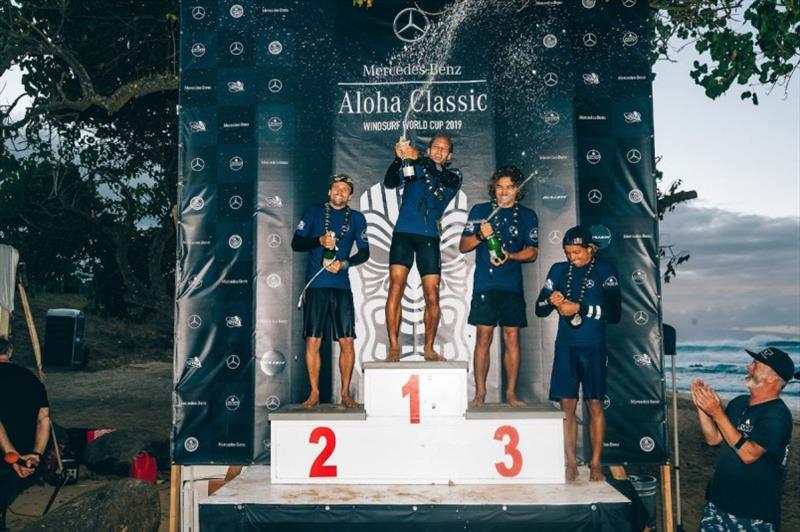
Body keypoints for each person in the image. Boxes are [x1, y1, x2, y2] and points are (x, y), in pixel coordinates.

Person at [535, 226, 620, 482]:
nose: (572, 257)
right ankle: (570, 462)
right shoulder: (559, 270)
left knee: (594, 404)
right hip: (566, 347)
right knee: (567, 407)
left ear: (590, 249)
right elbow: (539, 309)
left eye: (576, 252)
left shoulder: (606, 270)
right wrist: (552, 301)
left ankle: (595, 464)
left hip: (593, 347)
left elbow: (615, 314)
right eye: (568, 252)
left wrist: (579, 307)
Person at [692, 347, 797, 531]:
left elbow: (749, 454)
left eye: (756, 364)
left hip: (753, 514)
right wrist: (703, 408)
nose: (749, 366)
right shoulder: (738, 402)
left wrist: (717, 413)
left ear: (773, 378)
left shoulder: (777, 416)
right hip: (717, 505)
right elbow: (714, 439)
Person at [459, 165, 538, 408]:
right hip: (486, 283)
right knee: (483, 337)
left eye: (510, 187)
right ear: (493, 188)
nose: (504, 191)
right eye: (500, 186)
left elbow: (533, 252)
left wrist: (511, 256)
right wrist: (481, 236)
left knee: (512, 337)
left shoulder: (527, 215)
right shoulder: (481, 211)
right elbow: (463, 246)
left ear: (518, 190)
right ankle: (480, 392)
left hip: (511, 285)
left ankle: (511, 394)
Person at [291, 174, 370, 408]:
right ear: (329, 191)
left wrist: (345, 263)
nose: (340, 192)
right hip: (316, 286)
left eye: (345, 190)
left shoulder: (357, 218)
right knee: (313, 341)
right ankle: (314, 393)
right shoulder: (314, 211)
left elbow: (364, 252)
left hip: (341, 286)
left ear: (350, 195)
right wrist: (318, 241)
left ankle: (345, 393)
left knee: (347, 341)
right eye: (336, 188)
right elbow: (297, 244)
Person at [383, 133, 462, 362]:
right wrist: (399, 159)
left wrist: (416, 157)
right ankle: (394, 347)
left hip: (429, 237)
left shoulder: (454, 175)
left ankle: (428, 348)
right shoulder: (414, 166)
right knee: (396, 287)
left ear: (449, 155)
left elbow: (445, 179)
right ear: (429, 150)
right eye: (435, 147)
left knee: (432, 295)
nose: (438, 150)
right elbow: (390, 183)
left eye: (443, 148)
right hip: (403, 233)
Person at [0, 337, 50, 530]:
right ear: (10, 352)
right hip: (24, 454)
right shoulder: (31, 378)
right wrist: (36, 454)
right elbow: (44, 419)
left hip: (9, 454)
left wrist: (12, 456)